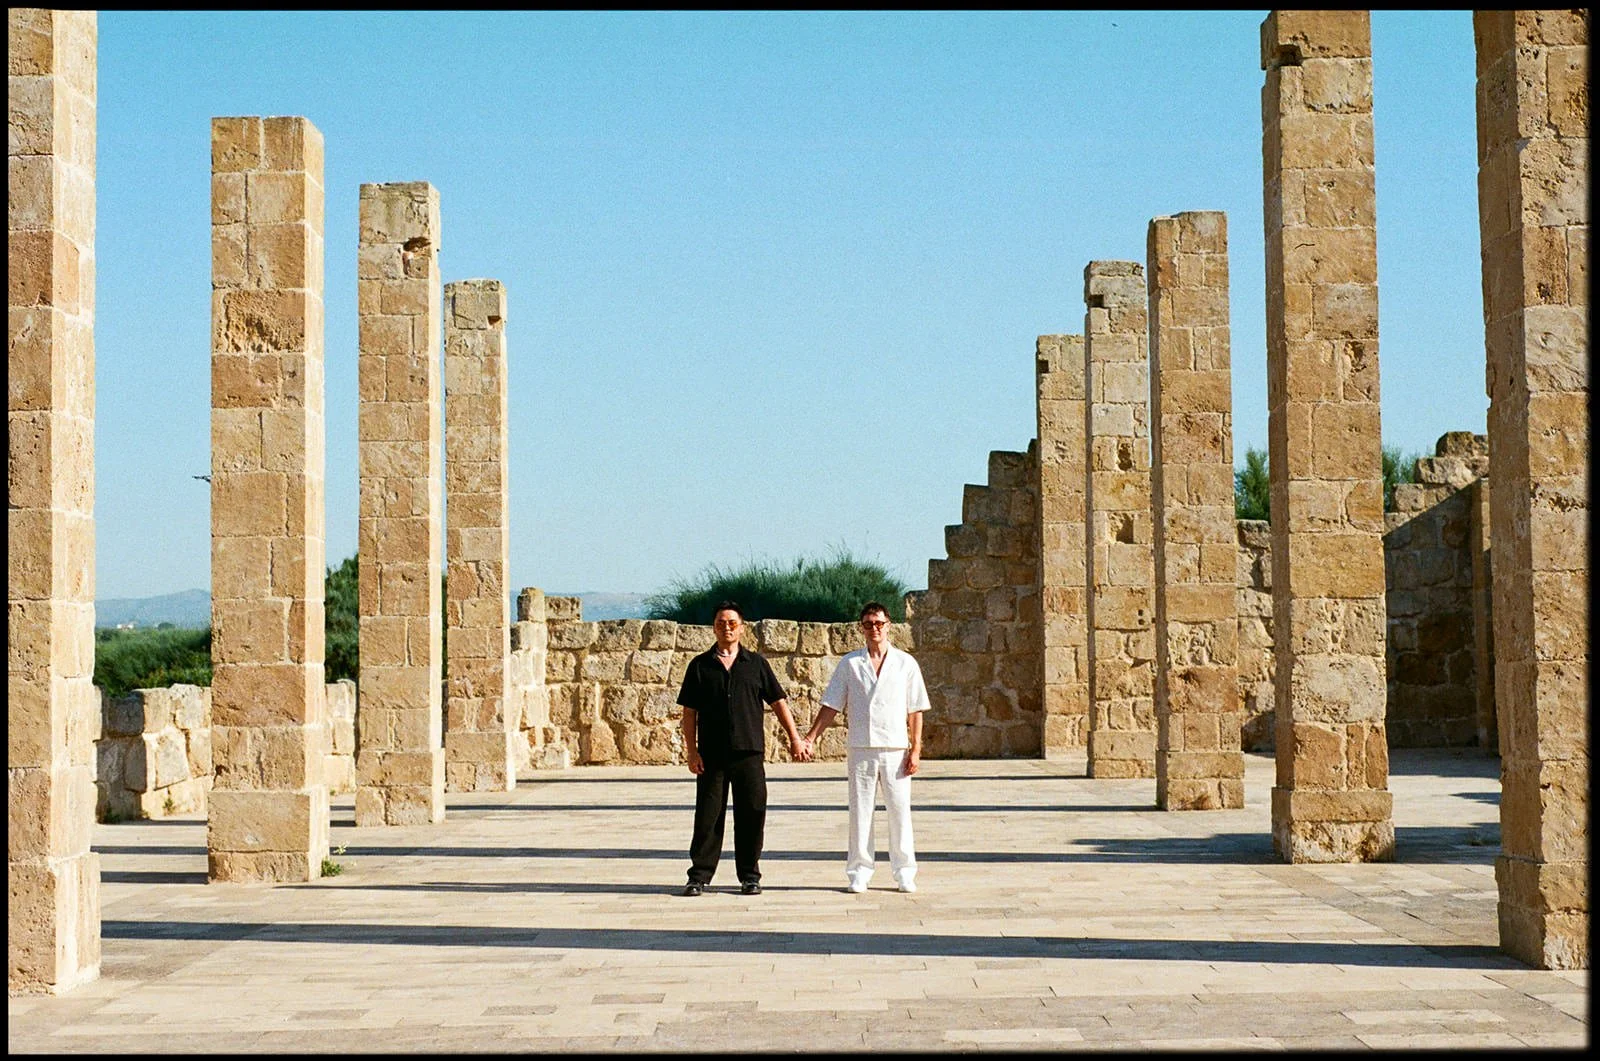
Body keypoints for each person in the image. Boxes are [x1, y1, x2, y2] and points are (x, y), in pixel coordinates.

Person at [676, 600, 809, 896]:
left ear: (742, 628)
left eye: (732, 623)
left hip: (749, 753)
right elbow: (689, 712)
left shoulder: (756, 664)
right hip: (711, 755)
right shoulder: (699, 665)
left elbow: (778, 702)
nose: (727, 628)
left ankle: (750, 875)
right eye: (721, 623)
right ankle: (699, 876)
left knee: (752, 813)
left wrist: (794, 737)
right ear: (714, 627)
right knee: (708, 816)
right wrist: (691, 750)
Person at [802, 601, 929, 893]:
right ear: (862, 628)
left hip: (896, 748)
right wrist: (811, 737)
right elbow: (831, 704)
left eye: (880, 624)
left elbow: (916, 710)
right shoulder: (850, 664)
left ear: (889, 626)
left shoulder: (905, 663)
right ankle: (859, 871)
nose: (875, 629)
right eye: (869, 624)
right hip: (861, 747)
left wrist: (916, 748)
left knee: (899, 811)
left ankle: (904, 872)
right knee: (860, 812)